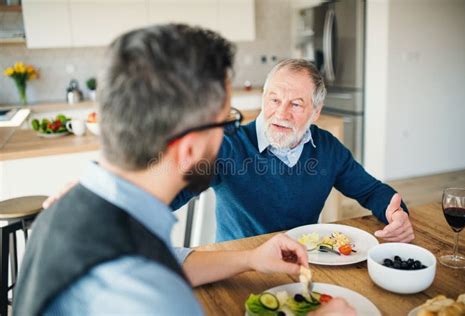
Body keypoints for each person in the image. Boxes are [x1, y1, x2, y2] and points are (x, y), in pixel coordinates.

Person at [14, 24, 354, 315]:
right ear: (190, 148)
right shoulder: (154, 297)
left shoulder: (79, 207)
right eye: (227, 122)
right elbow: (154, 274)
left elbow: (167, 258)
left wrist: (250, 259)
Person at [44, 58, 414, 244]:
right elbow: (162, 186)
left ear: (315, 112)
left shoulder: (328, 150)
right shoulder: (227, 145)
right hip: (236, 266)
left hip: (306, 262)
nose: (281, 114)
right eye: (274, 99)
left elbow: (372, 192)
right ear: (263, 99)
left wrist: (395, 214)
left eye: (296, 104)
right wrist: (103, 190)